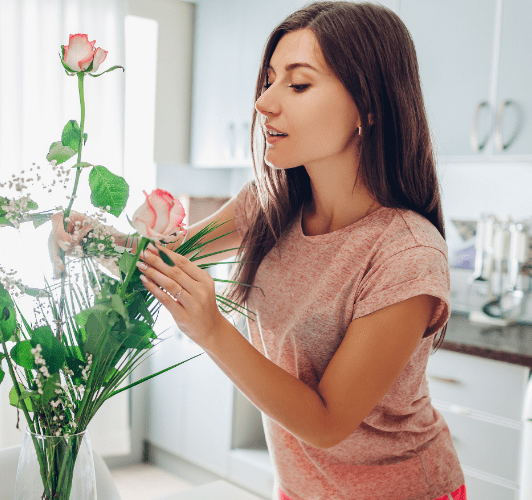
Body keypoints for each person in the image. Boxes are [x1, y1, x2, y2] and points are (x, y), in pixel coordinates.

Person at [51, 2, 466, 499]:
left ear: (368, 106)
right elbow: (170, 257)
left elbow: (328, 421)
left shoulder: (407, 254)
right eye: (269, 80)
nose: (264, 102)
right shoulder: (269, 203)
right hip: (296, 489)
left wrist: (209, 328)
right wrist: (90, 237)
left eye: (298, 84)